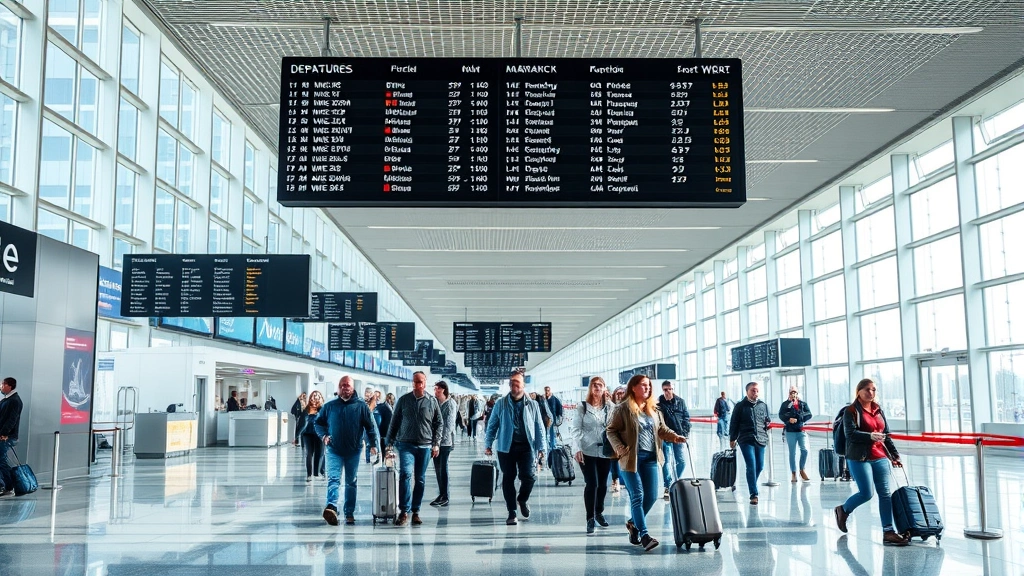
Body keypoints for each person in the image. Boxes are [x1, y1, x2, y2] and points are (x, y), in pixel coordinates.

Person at [606, 374, 686, 552]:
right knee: (637, 495)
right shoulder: (623, 409)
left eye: (649, 386)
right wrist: (619, 447)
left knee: (651, 495)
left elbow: (662, 429)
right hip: (631, 458)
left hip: (650, 457)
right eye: (643, 385)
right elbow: (610, 430)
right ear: (633, 388)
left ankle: (633, 524)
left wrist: (675, 436)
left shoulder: (654, 410)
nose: (647, 388)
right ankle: (644, 535)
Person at [833, 378, 908, 546]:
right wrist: (869, 436)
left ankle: (888, 531)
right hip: (859, 457)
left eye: (874, 389)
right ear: (859, 391)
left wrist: (895, 456)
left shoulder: (878, 410)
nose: (871, 393)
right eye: (867, 389)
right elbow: (851, 434)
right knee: (867, 493)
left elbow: (886, 434)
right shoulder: (851, 411)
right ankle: (843, 510)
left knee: (885, 493)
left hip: (880, 456)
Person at [313, 376, 378, 526]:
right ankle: (332, 507)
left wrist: (373, 444)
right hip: (334, 450)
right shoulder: (330, 406)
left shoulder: (361, 407)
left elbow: (370, 427)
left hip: (353, 451)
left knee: (350, 482)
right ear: (338, 388)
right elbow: (318, 423)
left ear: (353, 388)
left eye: (347, 385)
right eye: (342, 385)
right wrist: (323, 436)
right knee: (333, 479)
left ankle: (349, 512)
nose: (344, 388)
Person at [484, 370, 546, 526]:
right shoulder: (501, 403)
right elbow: (492, 425)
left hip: (526, 447)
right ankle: (511, 512)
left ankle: (522, 499)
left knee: (529, 477)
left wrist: (542, 448)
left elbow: (539, 427)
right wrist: (488, 444)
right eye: (512, 382)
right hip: (506, 447)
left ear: (523, 385)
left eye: (517, 382)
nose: (514, 385)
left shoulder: (532, 404)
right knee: (508, 478)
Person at [385, 371, 442, 527]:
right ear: (413, 383)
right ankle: (404, 511)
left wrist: (436, 443)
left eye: (421, 382)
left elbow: (439, 423)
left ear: (425, 382)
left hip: (425, 445)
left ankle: (415, 511)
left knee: (420, 479)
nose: (419, 384)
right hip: (405, 444)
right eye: (416, 382)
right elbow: (394, 422)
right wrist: (389, 443)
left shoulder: (432, 401)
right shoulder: (403, 400)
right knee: (405, 474)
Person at [569, 376, 613, 534]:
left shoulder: (610, 407)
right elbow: (575, 429)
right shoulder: (582, 407)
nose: (597, 388)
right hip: (586, 451)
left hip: (605, 452)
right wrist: (577, 448)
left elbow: (617, 424)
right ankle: (590, 518)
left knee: (602, 485)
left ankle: (598, 512)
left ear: (604, 388)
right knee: (592, 483)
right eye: (594, 385)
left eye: (600, 385)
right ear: (590, 388)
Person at [729, 381, 771, 505]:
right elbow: (734, 423)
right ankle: (754, 493)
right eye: (753, 390)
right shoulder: (740, 406)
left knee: (760, 466)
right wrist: (732, 438)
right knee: (751, 465)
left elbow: (766, 420)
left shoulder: (763, 405)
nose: (755, 393)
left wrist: (767, 424)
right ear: (747, 391)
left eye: (757, 390)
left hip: (761, 438)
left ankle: (751, 482)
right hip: (745, 439)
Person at [656, 380, 691, 499]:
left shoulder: (681, 402)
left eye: (670, 389)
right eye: (665, 389)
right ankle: (668, 484)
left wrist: (685, 432)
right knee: (666, 461)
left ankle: (675, 482)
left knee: (681, 461)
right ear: (662, 390)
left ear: (673, 389)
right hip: (665, 436)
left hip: (679, 435)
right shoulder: (658, 404)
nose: (668, 391)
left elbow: (686, 418)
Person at [430, 381, 457, 507]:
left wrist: (438, 442)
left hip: (445, 442)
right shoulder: (436, 403)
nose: (435, 391)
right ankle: (441, 494)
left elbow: (448, 427)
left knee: (442, 468)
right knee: (438, 469)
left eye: (438, 389)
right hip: (436, 441)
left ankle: (445, 495)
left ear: (444, 390)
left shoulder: (450, 404)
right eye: (435, 389)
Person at [779, 386, 813, 483]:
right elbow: (781, 415)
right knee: (792, 453)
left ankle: (802, 469)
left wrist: (799, 418)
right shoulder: (785, 404)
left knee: (804, 450)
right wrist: (789, 419)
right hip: (790, 431)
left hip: (801, 430)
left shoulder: (802, 404)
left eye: (795, 393)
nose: (793, 395)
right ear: (789, 394)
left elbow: (809, 414)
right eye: (791, 393)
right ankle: (793, 472)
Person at [0, 377, 23, 493]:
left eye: (3, 384)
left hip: (5, 437)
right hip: (3, 436)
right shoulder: (6, 399)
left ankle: (8, 487)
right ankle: (3, 485)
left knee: (1, 461)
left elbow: (11, 420)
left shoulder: (14, 400)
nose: (1, 386)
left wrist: (4, 434)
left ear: (10, 386)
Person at [301, 391, 326, 482]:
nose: (315, 398)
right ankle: (309, 474)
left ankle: (317, 473)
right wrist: (296, 437)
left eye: (317, 396)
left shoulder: (323, 409)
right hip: (307, 434)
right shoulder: (306, 409)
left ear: (321, 398)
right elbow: (301, 424)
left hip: (320, 435)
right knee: (309, 453)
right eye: (313, 396)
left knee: (319, 454)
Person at [609, 386, 627, 493]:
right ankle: (615, 480)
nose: (620, 395)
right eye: (618, 393)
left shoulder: (628, 406)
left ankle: (623, 480)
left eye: (622, 393)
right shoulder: (611, 407)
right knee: (614, 460)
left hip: (625, 438)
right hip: (614, 438)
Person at [544, 386, 564, 464]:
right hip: (545, 421)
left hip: (552, 422)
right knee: (546, 436)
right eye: (546, 391)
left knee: (552, 436)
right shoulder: (543, 399)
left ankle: (553, 450)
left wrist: (559, 419)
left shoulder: (554, 399)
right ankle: (548, 450)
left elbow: (560, 409)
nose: (546, 392)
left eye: (548, 391)